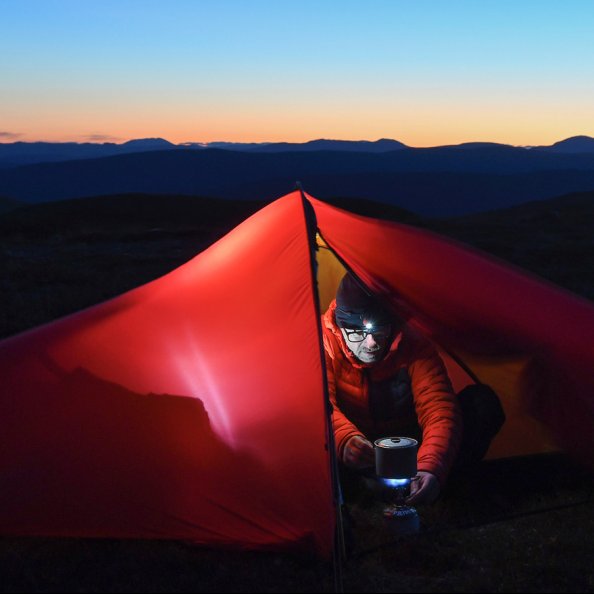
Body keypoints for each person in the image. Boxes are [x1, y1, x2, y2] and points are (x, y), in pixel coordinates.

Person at [322, 273, 504, 505]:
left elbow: (439, 408)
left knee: (482, 403)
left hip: (408, 447)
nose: (372, 343)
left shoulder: (411, 341)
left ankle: (435, 488)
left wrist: (431, 466)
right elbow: (319, 406)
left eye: (379, 330)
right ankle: (355, 494)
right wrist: (344, 440)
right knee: (308, 426)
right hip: (358, 450)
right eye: (357, 333)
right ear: (340, 326)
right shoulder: (322, 342)